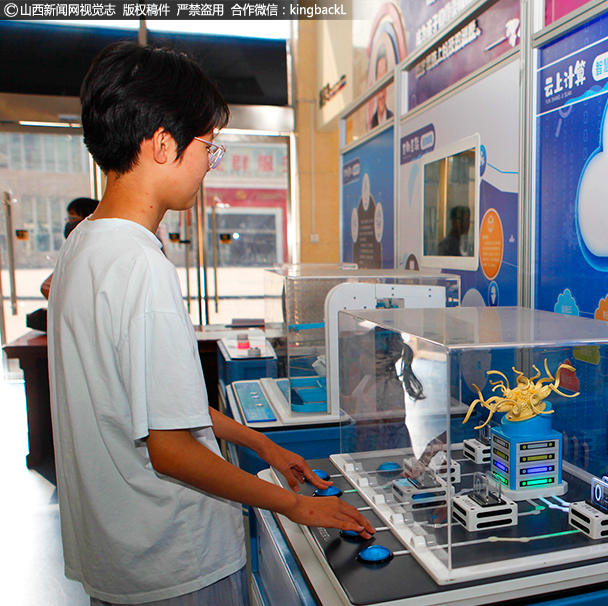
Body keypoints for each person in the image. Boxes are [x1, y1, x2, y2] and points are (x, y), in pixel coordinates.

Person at [47, 41, 373, 606]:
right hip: (175, 560)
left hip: (121, 556)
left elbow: (155, 407)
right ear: (162, 143)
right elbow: (171, 449)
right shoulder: (140, 265)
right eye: (207, 147)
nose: (208, 165)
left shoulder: (83, 245)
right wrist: (297, 506)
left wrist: (262, 444)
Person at [40, 196, 99, 300]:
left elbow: (47, 288)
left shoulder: (87, 250)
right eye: (68, 218)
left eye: (72, 218)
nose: (69, 222)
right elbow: (47, 287)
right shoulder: (75, 248)